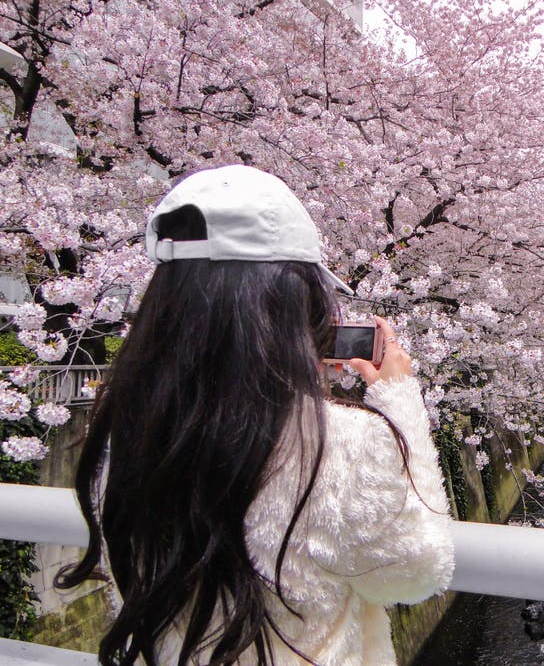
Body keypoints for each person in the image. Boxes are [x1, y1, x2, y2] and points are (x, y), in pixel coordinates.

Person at [57, 165, 454, 665]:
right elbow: (419, 571)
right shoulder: (340, 442)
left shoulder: (120, 433)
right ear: (292, 311)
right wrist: (401, 400)